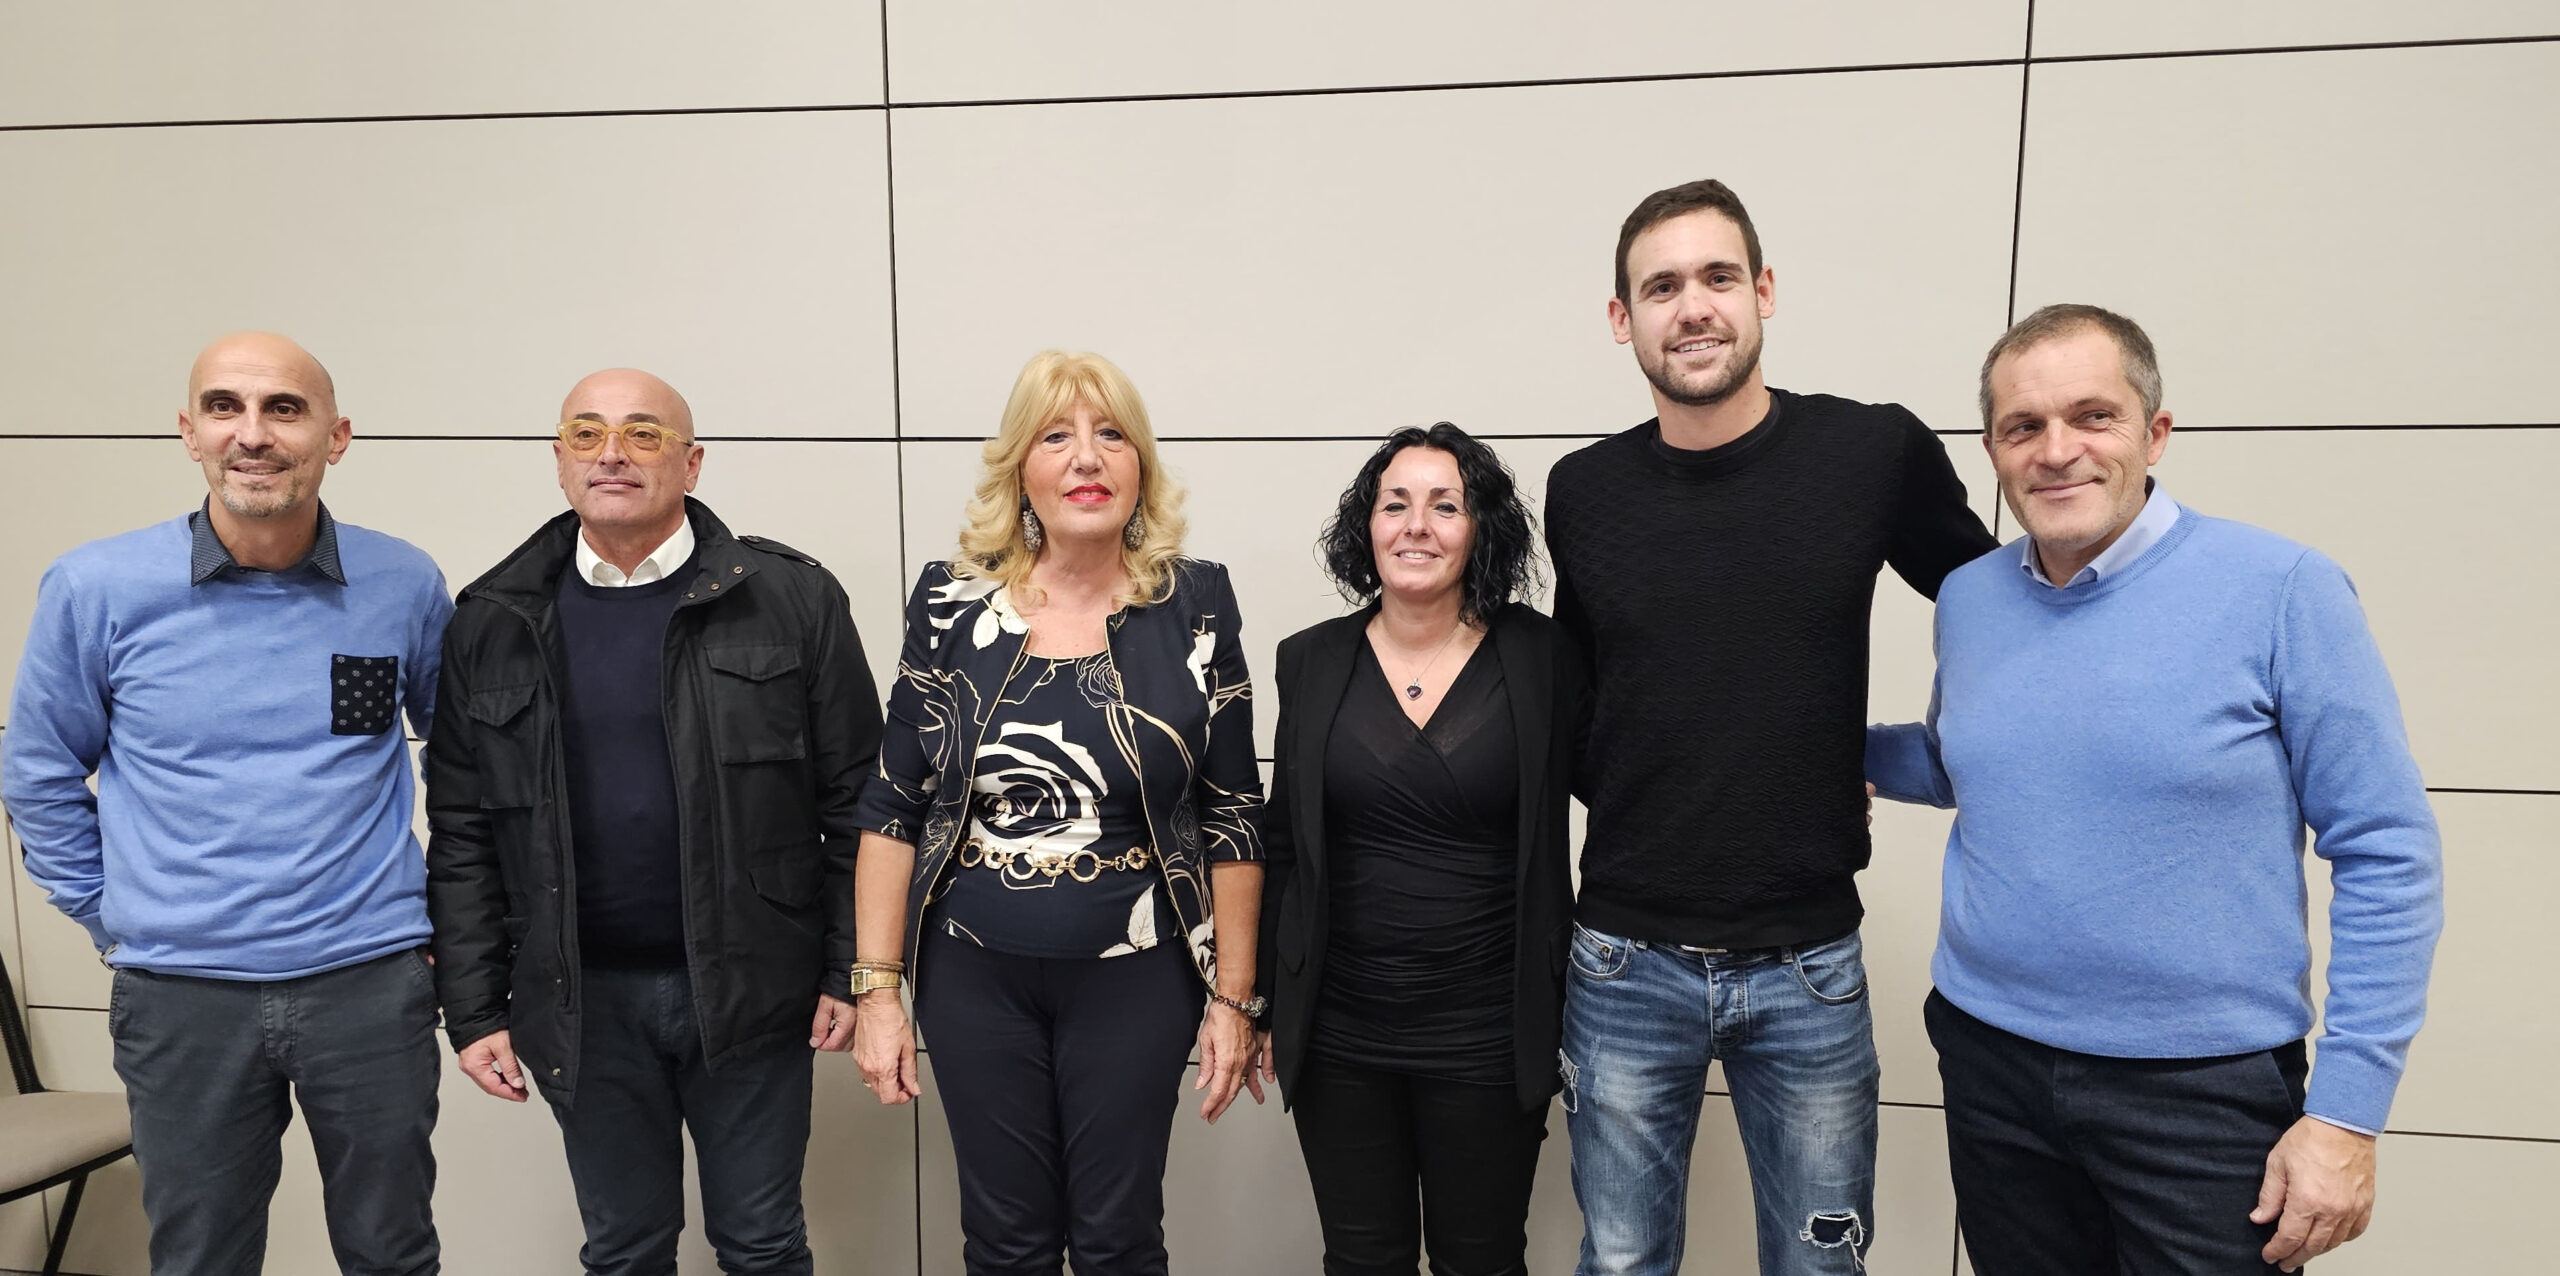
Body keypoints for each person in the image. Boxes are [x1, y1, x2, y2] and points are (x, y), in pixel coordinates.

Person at [1865, 304, 2443, 1274]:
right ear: (1993, 452)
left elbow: (2388, 848)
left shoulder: (2282, 588)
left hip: (2200, 1094)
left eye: (2093, 416)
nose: (2057, 451)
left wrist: (2347, 1114)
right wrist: (1804, 750)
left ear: (2155, 431)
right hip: (1989, 1059)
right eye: (2023, 427)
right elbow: (1965, 757)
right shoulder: (1969, 596)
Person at [1542, 178, 2000, 1276]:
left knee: (1819, 1267)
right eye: (1661, 287)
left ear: (1764, 291)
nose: (1692, 306)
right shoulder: (1584, 489)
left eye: (1717, 276)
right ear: (1622, 319)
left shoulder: (1871, 452)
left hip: (1808, 965)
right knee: (1619, 1263)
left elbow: (2002, 608)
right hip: (1623, 960)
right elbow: (1580, 699)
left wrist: (1914, 759)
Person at [2, 332, 449, 1276]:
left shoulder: (403, 582)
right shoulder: (98, 587)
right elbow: (37, 774)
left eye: (284, 408)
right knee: (202, 1259)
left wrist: (451, 923)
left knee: (393, 1254)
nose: (252, 434)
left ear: (337, 436)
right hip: (181, 998)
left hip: (370, 987)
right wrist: (111, 912)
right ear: (189, 432)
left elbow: (470, 764)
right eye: (224, 407)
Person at [424, 368, 881, 1276]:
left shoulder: (791, 598)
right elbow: (465, 832)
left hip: (754, 987)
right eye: (586, 434)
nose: (613, 454)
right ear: (560, 460)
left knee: (762, 1244)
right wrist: (472, 1010)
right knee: (624, 1250)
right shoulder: (493, 620)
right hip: (582, 1001)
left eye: (643, 433)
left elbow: (860, 803)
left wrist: (850, 970)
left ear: (691, 462)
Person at [847, 350, 1266, 1276]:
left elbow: (1233, 811)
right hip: (972, 972)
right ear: (1020, 471)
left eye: (1111, 434)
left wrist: (1234, 998)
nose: (1087, 458)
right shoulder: (950, 601)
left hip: (1139, 973)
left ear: (1140, 464)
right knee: (1005, 1244)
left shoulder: (1195, 602)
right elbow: (892, 804)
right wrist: (877, 992)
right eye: (1056, 437)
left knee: (1119, 1241)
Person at [1255, 423, 1588, 1276]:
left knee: (1482, 1260)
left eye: (1446, 506)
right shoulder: (1311, 661)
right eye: (1394, 504)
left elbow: (1631, 780)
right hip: (1339, 1028)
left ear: (1481, 529)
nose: (1416, 526)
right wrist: (1259, 1000)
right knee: (1361, 1259)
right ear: (1366, 526)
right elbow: (1283, 842)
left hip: (1488, 1028)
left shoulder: (1544, 657)